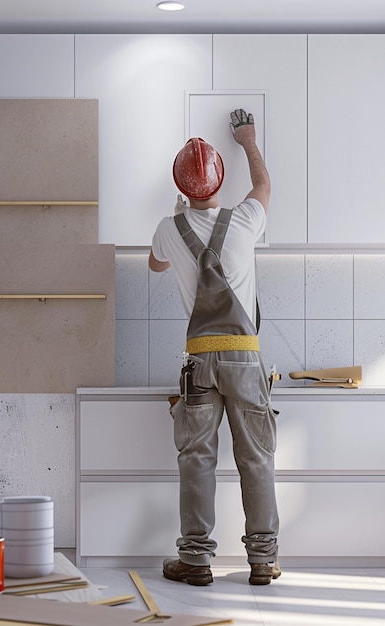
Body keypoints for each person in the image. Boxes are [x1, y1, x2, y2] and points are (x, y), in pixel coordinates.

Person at [149, 109, 280, 586]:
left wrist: (181, 214)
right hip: (245, 359)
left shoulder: (168, 227)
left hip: (200, 362)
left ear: (182, 187)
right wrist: (247, 141)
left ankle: (197, 561)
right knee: (256, 458)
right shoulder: (246, 219)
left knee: (197, 460)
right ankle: (262, 561)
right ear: (220, 180)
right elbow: (263, 185)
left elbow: (156, 265)